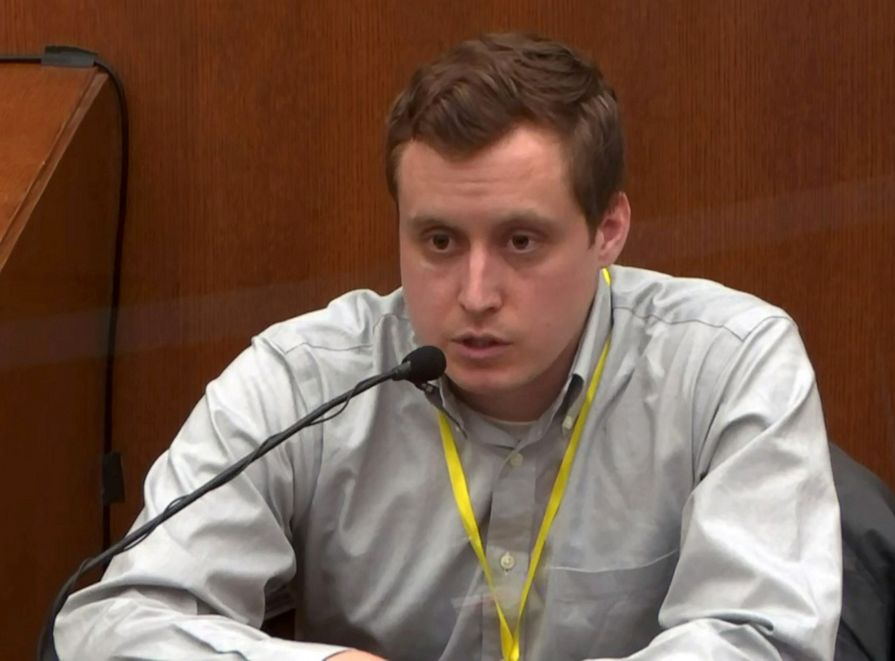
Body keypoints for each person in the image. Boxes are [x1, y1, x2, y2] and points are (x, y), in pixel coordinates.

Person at [56, 32, 841, 660]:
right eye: (438, 240)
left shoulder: (733, 362)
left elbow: (763, 637)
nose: (473, 292)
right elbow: (114, 622)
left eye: (522, 240)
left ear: (609, 230)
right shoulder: (304, 381)